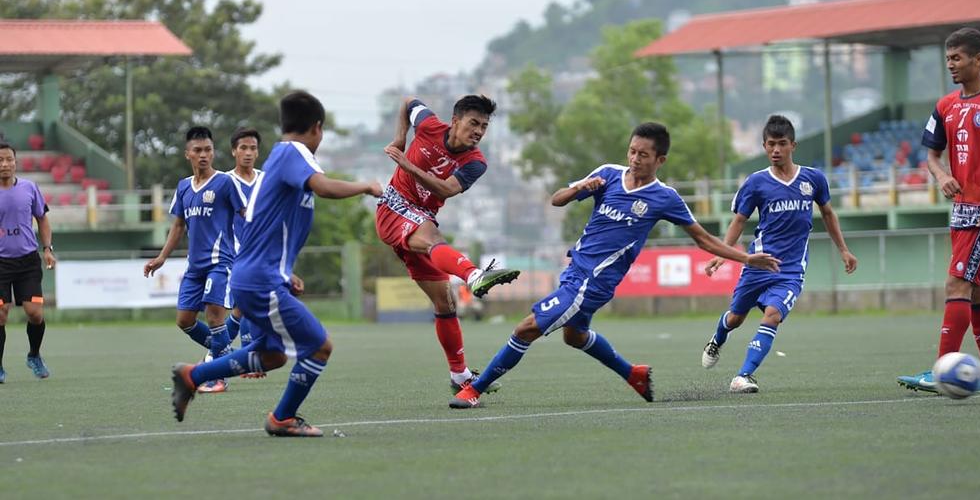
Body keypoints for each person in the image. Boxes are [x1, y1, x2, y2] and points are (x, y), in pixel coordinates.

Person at [450, 122, 782, 409]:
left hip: (593, 283)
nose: (635, 159)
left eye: (644, 154)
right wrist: (581, 187)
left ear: (660, 160)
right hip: (575, 271)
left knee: (525, 329)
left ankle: (474, 389)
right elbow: (557, 199)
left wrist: (745, 257)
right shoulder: (607, 175)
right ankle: (632, 374)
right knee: (575, 337)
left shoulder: (664, 197)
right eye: (632, 151)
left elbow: (703, 239)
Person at [170, 90, 382, 437]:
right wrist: (366, 187)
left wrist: (284, 273)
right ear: (317, 128)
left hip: (258, 276)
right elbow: (324, 186)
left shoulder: (280, 163)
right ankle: (282, 418)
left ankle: (193, 376)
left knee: (272, 355)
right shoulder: (293, 152)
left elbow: (258, 226)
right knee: (319, 346)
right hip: (259, 279)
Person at [898, 27, 980, 394]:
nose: (951, 65)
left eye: (957, 58)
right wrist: (941, 176)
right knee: (978, 290)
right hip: (961, 211)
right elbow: (931, 156)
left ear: (978, 59)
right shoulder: (945, 106)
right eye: (948, 59)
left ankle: (941, 370)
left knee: (957, 283)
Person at [699, 115, 858, 393]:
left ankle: (743, 376)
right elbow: (739, 220)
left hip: (791, 269)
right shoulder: (756, 183)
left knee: (773, 315)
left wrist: (843, 250)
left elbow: (829, 214)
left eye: (781, 144)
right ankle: (717, 338)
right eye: (770, 144)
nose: (776, 150)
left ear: (793, 145)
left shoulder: (813, 179)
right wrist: (724, 253)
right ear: (764, 146)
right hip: (758, 264)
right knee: (735, 318)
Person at [378, 95, 519, 394]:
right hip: (393, 207)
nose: (479, 131)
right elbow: (406, 102)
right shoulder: (428, 124)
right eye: (473, 123)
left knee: (446, 303)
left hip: (421, 217)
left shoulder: (476, 162)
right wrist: (401, 139)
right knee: (434, 239)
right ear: (455, 121)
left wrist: (408, 165)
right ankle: (473, 276)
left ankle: (459, 375)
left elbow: (445, 189)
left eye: (484, 126)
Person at [145, 126, 246, 394]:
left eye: (208, 150)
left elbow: (246, 215)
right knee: (184, 320)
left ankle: (220, 375)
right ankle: (228, 355)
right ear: (187, 154)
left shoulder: (225, 183)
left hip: (220, 262)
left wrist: (256, 249)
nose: (204, 155)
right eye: (198, 150)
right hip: (195, 267)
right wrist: (161, 257)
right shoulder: (183, 187)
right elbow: (178, 226)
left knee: (215, 318)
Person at [0, 143, 56, 383]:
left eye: (8, 159)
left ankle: (34, 355)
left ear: (16, 162)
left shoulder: (29, 188)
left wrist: (47, 249)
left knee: (34, 313)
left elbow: (42, 219)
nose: (4, 164)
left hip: (28, 261)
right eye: (0, 160)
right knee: (1, 313)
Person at [224, 126, 263, 366]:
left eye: (253, 148)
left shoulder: (266, 180)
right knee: (244, 303)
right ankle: (247, 354)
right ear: (234, 151)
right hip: (234, 251)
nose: (248, 153)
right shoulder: (224, 181)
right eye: (243, 148)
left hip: (261, 251)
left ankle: (216, 351)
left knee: (244, 306)